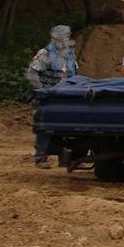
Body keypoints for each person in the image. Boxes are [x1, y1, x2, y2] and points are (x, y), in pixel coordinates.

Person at [27, 25, 77, 168]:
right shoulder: (46, 53)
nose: (65, 40)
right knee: (45, 126)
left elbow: (72, 74)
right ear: (54, 38)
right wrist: (41, 89)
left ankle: (64, 156)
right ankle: (41, 157)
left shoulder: (69, 54)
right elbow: (32, 72)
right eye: (62, 37)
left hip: (65, 96)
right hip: (48, 96)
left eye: (67, 37)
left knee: (65, 127)